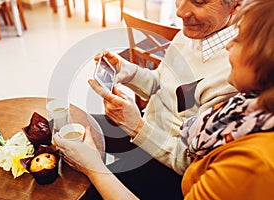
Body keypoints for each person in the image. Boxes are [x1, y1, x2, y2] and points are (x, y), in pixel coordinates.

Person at [54, 0, 274, 198]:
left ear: (236, 5)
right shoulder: (193, 32)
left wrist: (136, 127)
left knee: (82, 186)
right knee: (66, 128)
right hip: (146, 126)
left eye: (198, 1)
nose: (180, 11)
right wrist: (129, 73)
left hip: (167, 164)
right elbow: (161, 84)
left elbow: (186, 163)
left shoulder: (236, 77)